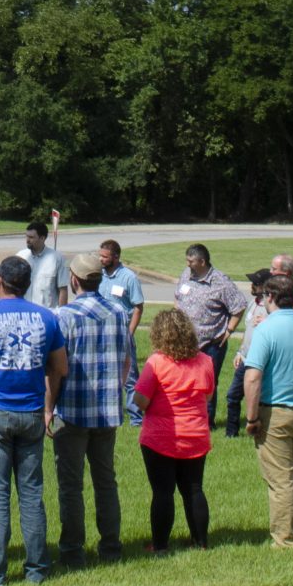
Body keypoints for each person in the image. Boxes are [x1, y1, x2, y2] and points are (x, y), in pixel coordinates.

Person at [0, 255, 68, 586]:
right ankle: (36, 569)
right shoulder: (46, 317)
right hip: (32, 410)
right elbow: (60, 367)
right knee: (31, 493)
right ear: (27, 284)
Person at [53, 252, 130, 567]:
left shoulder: (65, 315)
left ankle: (73, 551)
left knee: (71, 484)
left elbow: (57, 368)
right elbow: (126, 360)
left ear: (74, 280)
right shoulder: (119, 312)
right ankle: (111, 547)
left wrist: (49, 407)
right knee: (105, 480)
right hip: (107, 411)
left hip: (72, 410)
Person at [243, 273, 293, 548]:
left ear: (271, 297)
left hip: (274, 411)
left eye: (264, 296)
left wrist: (252, 417)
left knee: (279, 480)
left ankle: (284, 539)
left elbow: (252, 377)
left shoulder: (266, 329)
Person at [132, 309, 214, 552]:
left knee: (163, 492)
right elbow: (208, 395)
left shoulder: (156, 362)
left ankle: (159, 545)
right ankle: (200, 542)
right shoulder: (205, 361)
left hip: (160, 438)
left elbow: (141, 400)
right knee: (194, 489)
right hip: (196, 435)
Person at [173, 242, 247, 424]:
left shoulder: (221, 282)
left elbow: (239, 306)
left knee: (207, 383)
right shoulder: (186, 275)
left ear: (202, 261)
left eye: (191, 261)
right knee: (184, 380)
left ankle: (206, 421)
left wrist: (229, 330)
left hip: (211, 343)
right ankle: (187, 415)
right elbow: (178, 298)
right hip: (185, 341)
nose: (187, 264)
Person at [97, 239, 145, 423]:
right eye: (100, 255)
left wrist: (129, 332)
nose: (101, 259)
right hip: (101, 332)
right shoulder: (98, 275)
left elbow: (138, 307)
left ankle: (136, 419)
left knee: (130, 377)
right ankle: (106, 413)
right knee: (103, 373)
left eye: (105, 256)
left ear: (116, 257)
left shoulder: (128, 277)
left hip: (122, 333)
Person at [224, 269, 274, 438]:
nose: (252, 286)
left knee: (259, 398)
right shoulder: (253, 303)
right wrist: (240, 351)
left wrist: (269, 321)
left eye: (256, 283)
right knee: (232, 396)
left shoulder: (271, 307)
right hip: (246, 359)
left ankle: (259, 432)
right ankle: (231, 433)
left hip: (260, 361)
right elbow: (248, 331)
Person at [17, 221, 67, 309]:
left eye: (31, 237)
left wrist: (61, 315)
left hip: (47, 314)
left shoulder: (57, 258)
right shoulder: (20, 257)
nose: (27, 240)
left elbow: (62, 289)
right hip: (24, 313)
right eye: (26, 236)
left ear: (42, 238)